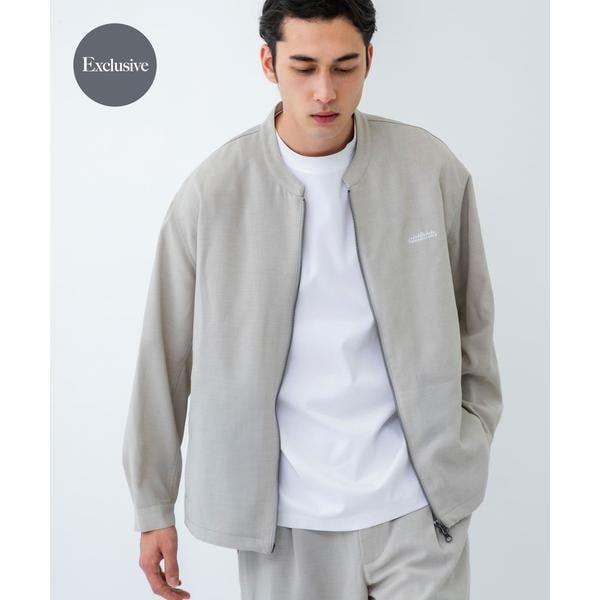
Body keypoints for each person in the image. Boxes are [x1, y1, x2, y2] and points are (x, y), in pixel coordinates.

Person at [122, 1, 503, 599]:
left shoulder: (428, 169)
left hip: (419, 511)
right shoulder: (213, 194)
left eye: (344, 67)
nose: (325, 91)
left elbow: (473, 317)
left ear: (369, 60)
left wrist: (469, 433)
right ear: (268, 64)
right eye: (304, 67)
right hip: (285, 526)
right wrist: (153, 505)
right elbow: (164, 356)